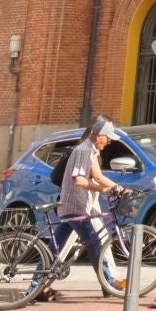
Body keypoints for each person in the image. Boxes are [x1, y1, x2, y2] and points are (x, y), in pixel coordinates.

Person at [54, 117, 124, 292]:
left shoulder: (90, 151)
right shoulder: (84, 151)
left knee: (53, 250)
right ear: (98, 135)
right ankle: (108, 283)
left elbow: (98, 176)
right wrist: (104, 190)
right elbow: (79, 181)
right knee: (94, 245)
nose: (109, 142)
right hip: (76, 206)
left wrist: (119, 188)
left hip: (72, 205)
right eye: (107, 137)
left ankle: (35, 288)